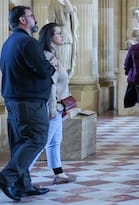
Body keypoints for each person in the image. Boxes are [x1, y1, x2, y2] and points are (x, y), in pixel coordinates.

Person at [0, 6, 54, 201]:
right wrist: (51, 66)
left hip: (14, 100)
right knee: (37, 139)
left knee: (20, 142)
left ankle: (23, 185)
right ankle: (7, 177)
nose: (34, 19)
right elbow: (42, 70)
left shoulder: (8, 43)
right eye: (31, 16)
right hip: (30, 101)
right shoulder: (28, 43)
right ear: (23, 20)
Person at [30, 23, 77, 184]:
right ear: (50, 37)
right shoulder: (47, 57)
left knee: (55, 141)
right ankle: (21, 174)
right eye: (58, 33)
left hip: (59, 106)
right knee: (41, 142)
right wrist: (51, 110)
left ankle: (59, 173)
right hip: (53, 107)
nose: (62, 36)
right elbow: (50, 86)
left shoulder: (52, 55)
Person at [48, 0, 79, 79]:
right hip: (60, 39)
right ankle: (60, 91)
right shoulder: (54, 3)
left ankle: (64, 89)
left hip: (67, 38)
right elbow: (55, 21)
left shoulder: (64, 3)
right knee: (60, 67)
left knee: (66, 67)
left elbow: (69, 10)